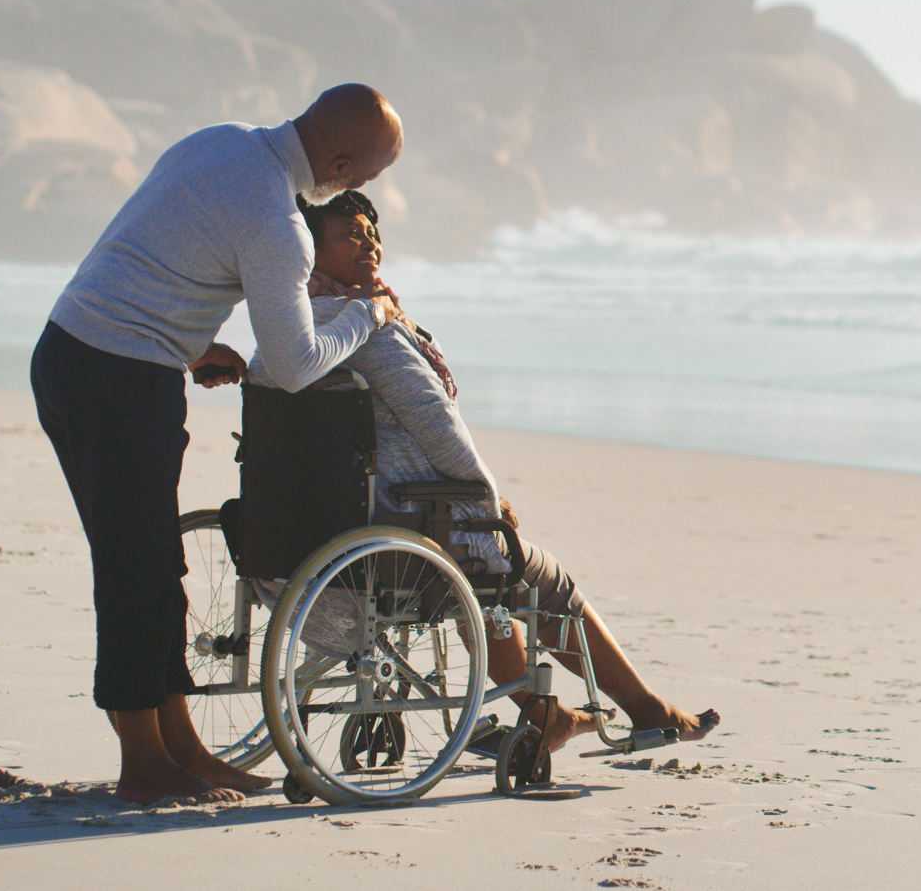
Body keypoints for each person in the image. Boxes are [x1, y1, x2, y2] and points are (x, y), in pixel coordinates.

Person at [30, 85, 408, 805]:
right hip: (116, 374)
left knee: (154, 559)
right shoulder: (277, 219)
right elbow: (296, 365)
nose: (361, 189)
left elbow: (153, 250)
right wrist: (368, 311)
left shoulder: (221, 139)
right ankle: (144, 764)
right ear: (336, 160)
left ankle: (183, 749)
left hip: (79, 352)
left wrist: (195, 341)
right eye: (364, 174)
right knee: (134, 565)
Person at [247, 191, 720, 750]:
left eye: (372, 233)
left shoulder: (284, 335)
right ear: (309, 249)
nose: (369, 243)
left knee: (482, 572)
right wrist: (489, 503)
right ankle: (645, 708)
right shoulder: (373, 327)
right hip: (398, 524)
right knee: (535, 579)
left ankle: (546, 714)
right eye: (350, 234)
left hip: (299, 531)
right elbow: (437, 426)